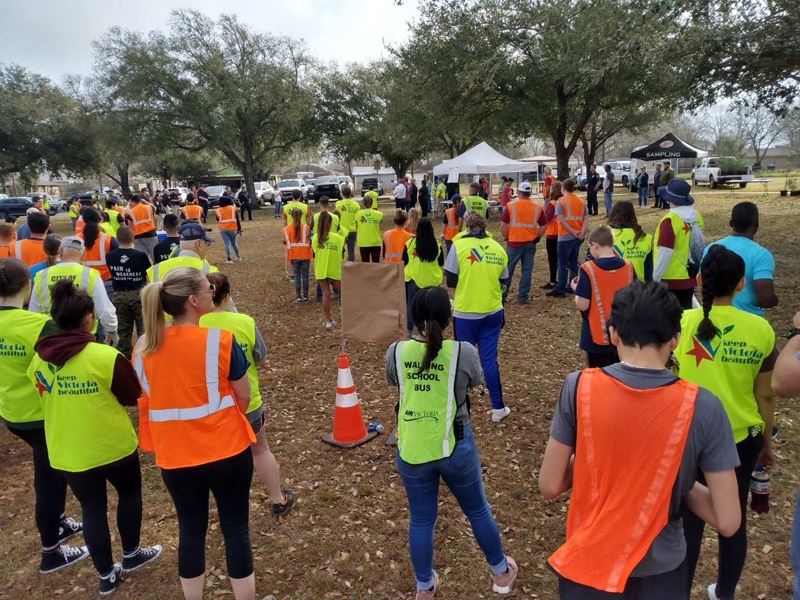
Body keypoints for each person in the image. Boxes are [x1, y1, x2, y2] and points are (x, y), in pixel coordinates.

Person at [539, 280, 741, 600]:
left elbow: (550, 484)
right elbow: (728, 520)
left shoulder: (578, 387)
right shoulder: (704, 405)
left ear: (613, 333)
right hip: (662, 574)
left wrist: (602, 457)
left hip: (588, 565)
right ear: (675, 339)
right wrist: (676, 477)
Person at [29, 280, 162, 594]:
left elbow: (42, 395)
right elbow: (132, 395)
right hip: (112, 445)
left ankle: (106, 575)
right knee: (129, 495)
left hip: (69, 449)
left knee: (92, 509)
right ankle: (131, 554)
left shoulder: (38, 360)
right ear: (89, 318)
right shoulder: (104, 356)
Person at [386, 286, 519, 599]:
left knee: (421, 519)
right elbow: (475, 380)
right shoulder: (463, 352)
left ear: (413, 317)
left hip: (412, 449)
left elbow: (393, 379)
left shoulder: (396, 351)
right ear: (448, 319)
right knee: (477, 510)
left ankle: (424, 587)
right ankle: (501, 572)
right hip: (456, 444)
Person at [134, 268, 257, 600]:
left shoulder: (144, 347)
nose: (212, 291)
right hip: (227, 449)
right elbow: (243, 394)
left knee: (190, 529)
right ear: (193, 300)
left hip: (175, 457)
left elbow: (150, 394)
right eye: (208, 288)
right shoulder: (220, 340)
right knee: (236, 529)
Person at [675, 245, 777, 600]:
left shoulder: (683, 323)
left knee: (688, 522)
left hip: (689, 436)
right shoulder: (762, 330)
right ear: (742, 284)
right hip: (741, 439)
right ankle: (726, 592)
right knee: (733, 521)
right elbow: (765, 396)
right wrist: (767, 443)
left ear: (701, 279)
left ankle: (678, 592)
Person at [0, 258, 89, 574]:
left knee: (50, 470)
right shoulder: (38, 325)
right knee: (48, 479)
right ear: (27, 287)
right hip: (44, 415)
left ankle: (60, 522)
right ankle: (51, 551)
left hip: (12, 413)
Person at [200, 273, 295, 515]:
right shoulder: (244, 322)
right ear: (227, 296)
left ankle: (226, 509)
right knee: (260, 449)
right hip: (248, 402)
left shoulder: (194, 327)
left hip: (209, 406)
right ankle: (278, 499)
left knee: (217, 459)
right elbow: (261, 358)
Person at [445, 213, 511, 423]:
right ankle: (498, 407)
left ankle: (457, 406)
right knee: (489, 360)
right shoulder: (498, 248)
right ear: (485, 226)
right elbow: (505, 281)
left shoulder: (458, 245)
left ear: (467, 227)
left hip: (466, 312)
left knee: (461, 358)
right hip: (492, 311)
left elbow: (451, 280)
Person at [29, 237, 118, 344]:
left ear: (60, 252)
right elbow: (105, 310)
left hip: (51, 337)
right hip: (83, 338)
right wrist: (112, 331)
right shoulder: (90, 275)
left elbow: (33, 312)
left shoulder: (42, 276)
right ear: (83, 254)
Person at [570, 225, 635, 367]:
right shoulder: (629, 267)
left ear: (595, 245)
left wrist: (576, 288)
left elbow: (583, 304)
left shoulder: (588, 269)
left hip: (596, 336)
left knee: (599, 377)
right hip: (624, 334)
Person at [770, 312, 800, 600]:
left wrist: (796, 334)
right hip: (743, 435)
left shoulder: (688, 320)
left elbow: (780, 383)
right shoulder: (758, 330)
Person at [705, 202, 778, 316]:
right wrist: (774, 300)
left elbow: (705, 285)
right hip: (750, 321)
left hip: (713, 319)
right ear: (756, 226)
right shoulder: (761, 255)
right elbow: (766, 299)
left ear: (731, 223)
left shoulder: (711, 249)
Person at [653, 179, 705, 309]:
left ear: (670, 199)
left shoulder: (669, 221)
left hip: (670, 280)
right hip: (690, 275)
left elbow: (665, 253)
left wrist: (655, 279)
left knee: (672, 320)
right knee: (685, 315)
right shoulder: (697, 216)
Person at [106, 227, 150, 359]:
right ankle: (144, 357)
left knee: (123, 331)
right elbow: (147, 273)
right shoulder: (140, 256)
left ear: (117, 238)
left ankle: (126, 359)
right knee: (144, 329)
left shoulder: (110, 256)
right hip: (139, 295)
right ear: (133, 237)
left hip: (119, 295)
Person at [500, 180, 547, 305]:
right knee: (527, 271)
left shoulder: (511, 206)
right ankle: (523, 297)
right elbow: (543, 225)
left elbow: (503, 225)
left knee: (508, 271)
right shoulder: (537, 207)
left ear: (519, 192)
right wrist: (538, 237)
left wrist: (506, 238)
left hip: (514, 243)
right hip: (530, 243)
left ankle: (503, 296)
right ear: (530, 192)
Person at [547, 179, 588, 299]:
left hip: (565, 236)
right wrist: (581, 232)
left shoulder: (561, 201)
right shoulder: (580, 200)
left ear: (563, 188)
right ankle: (572, 284)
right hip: (578, 236)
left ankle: (561, 288)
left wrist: (573, 231)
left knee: (562, 263)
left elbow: (560, 219)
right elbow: (586, 217)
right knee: (574, 262)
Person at [403, 218, 443, 335]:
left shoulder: (410, 243)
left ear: (417, 229)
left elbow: (404, 260)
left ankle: (410, 331)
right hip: (433, 281)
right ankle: (431, 329)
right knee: (432, 308)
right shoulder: (437, 245)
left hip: (414, 280)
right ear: (431, 229)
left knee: (411, 306)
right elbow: (440, 262)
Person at [147, 222, 219, 283]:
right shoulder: (211, 272)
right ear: (198, 244)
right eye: (207, 243)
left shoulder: (156, 270)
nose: (207, 247)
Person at [313, 212, 346, 330]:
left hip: (321, 269)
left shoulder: (315, 238)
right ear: (331, 223)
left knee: (326, 294)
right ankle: (347, 316)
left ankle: (328, 321)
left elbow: (314, 253)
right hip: (334, 270)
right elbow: (342, 252)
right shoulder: (338, 238)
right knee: (345, 292)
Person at [608, 200, 653, 282]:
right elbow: (649, 273)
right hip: (639, 289)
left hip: (614, 286)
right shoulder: (646, 238)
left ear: (613, 215)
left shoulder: (606, 235)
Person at [79, 208, 118, 299]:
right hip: (106, 280)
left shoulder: (76, 239)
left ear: (84, 220)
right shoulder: (109, 240)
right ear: (100, 219)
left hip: (84, 281)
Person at [283, 208, 312, 302]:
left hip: (294, 255)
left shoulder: (287, 229)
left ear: (291, 216)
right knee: (305, 275)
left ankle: (298, 296)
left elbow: (287, 244)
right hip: (305, 255)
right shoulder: (307, 227)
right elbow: (310, 240)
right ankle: (306, 296)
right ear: (301, 216)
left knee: (297, 276)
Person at [541, 181, 562, 290]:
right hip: (563, 233)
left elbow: (546, 218)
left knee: (552, 259)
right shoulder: (564, 201)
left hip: (553, 234)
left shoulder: (552, 203)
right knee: (562, 259)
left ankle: (553, 281)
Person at [125, 195, 157, 262]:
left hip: (137, 236)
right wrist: (146, 202)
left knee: (143, 257)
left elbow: (130, 225)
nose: (130, 204)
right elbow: (155, 208)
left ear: (133, 202)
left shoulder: (130, 212)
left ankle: (146, 270)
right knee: (154, 254)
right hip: (151, 234)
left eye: (131, 202)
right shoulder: (149, 207)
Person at [355, 195, 384, 263]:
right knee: (376, 263)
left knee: (365, 264)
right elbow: (380, 223)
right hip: (375, 241)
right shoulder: (379, 214)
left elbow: (357, 225)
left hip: (363, 242)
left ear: (363, 203)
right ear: (372, 203)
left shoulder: (358, 214)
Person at [214, 197, 242, 264]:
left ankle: (229, 259)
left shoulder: (218, 210)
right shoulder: (232, 208)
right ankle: (238, 257)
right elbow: (237, 219)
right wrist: (239, 229)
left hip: (223, 228)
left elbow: (218, 219)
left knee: (227, 244)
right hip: (233, 228)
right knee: (234, 243)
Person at [336, 186, 360, 262]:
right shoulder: (356, 205)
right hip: (352, 229)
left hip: (342, 230)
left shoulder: (338, 204)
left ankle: (339, 263)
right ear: (351, 193)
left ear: (342, 194)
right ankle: (351, 265)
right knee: (351, 249)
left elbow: (336, 214)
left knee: (339, 248)